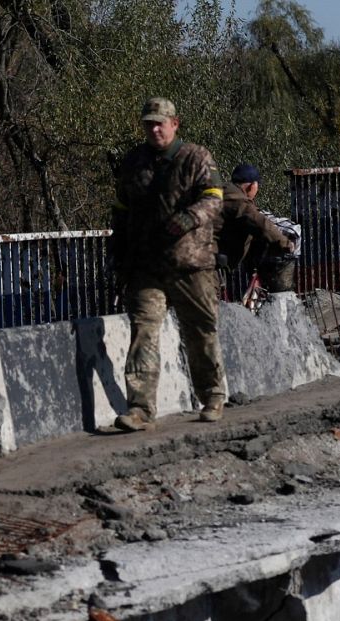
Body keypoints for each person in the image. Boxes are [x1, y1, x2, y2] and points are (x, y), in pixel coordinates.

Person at [110, 97, 228, 431]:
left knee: (200, 331)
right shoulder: (134, 162)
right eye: (149, 124)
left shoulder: (195, 157)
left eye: (160, 123)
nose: (155, 130)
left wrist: (190, 217)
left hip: (191, 262)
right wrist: (118, 249)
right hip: (146, 264)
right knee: (144, 332)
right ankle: (140, 409)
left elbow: (214, 197)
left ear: (175, 124)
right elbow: (121, 208)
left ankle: (212, 396)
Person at [218, 163, 298, 295]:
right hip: (209, 264)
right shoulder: (238, 202)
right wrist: (285, 243)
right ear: (252, 186)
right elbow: (261, 224)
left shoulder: (224, 194)